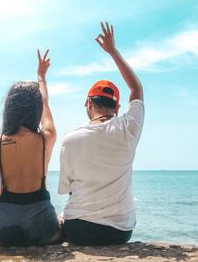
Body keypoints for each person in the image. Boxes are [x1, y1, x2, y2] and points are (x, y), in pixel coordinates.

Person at [58, 22, 144, 245]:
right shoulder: (129, 128)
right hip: (119, 231)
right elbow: (136, 89)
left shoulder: (70, 139)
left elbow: (68, 189)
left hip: (78, 229)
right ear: (116, 108)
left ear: (87, 103)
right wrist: (113, 52)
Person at [0, 50, 63, 246]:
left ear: (9, 108)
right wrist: (41, 77)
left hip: (5, 227)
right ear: (36, 109)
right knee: (61, 224)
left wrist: (12, 210)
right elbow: (45, 103)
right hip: (44, 228)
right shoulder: (47, 138)